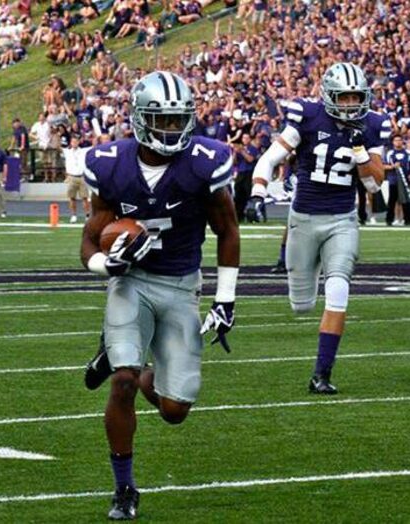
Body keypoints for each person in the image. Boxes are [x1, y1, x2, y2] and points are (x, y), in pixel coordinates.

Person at [80, 71, 239, 520]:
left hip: (181, 285)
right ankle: (124, 489)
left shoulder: (203, 162)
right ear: (140, 118)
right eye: (161, 120)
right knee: (123, 382)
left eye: (177, 120)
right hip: (130, 282)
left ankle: (130, 361)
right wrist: (106, 265)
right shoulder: (112, 163)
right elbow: (89, 242)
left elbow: (228, 230)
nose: (171, 129)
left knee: (174, 410)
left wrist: (225, 300)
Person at [246, 63, 391, 394]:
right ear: (328, 96)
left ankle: (321, 373)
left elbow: (372, 186)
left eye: (357, 97)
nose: (352, 104)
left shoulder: (374, 124)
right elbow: (270, 159)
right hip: (304, 219)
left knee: (338, 289)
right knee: (302, 305)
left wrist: (359, 150)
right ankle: (317, 357)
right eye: (345, 97)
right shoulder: (307, 115)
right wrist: (257, 193)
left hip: (342, 219)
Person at [62, 134, 91, 223]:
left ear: (78, 142)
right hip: (71, 176)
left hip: (82, 176)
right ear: (70, 142)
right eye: (73, 141)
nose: (74, 143)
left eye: (76, 141)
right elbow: (57, 146)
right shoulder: (67, 151)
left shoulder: (83, 151)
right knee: (72, 197)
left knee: (85, 197)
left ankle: (87, 215)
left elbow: (94, 146)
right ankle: (74, 215)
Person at [384, 134, 410, 226]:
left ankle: (407, 220)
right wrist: (392, 166)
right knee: (392, 200)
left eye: (399, 140)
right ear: (393, 142)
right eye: (396, 140)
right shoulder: (389, 153)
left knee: (406, 200)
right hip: (393, 180)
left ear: (402, 141)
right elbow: (383, 166)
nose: (398, 142)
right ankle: (389, 220)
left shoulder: (407, 153)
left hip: (405, 181)